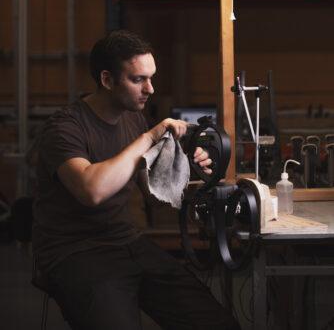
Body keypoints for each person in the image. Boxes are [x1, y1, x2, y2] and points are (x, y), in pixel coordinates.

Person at [32, 29, 240, 330]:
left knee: (216, 323)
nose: (150, 89)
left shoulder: (132, 119)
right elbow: (92, 190)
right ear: (107, 80)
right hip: (75, 252)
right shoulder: (65, 128)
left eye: (151, 78)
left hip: (127, 242)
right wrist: (150, 137)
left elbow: (153, 193)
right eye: (138, 79)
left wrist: (191, 171)